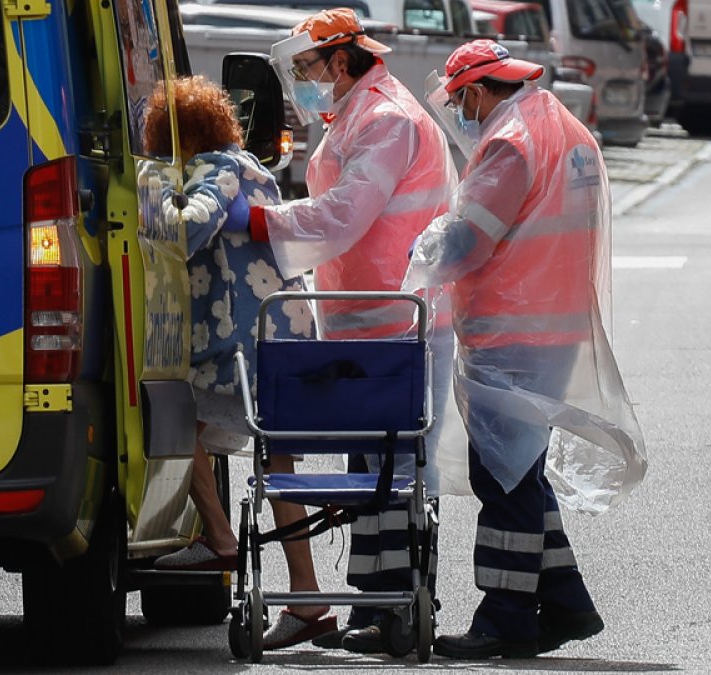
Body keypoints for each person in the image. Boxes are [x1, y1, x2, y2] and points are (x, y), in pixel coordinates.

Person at [402, 39, 648, 659]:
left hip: (513, 329)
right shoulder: (564, 128)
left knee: (503, 477)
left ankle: (504, 618)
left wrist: (421, 255)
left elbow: (468, 241)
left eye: (460, 99)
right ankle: (566, 603)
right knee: (521, 471)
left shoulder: (511, 141)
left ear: (481, 90)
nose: (460, 110)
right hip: (552, 327)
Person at [243, 8, 468, 654]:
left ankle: (395, 608)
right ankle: (378, 604)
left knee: (394, 469)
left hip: (396, 323)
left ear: (342, 63)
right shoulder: (361, 114)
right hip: (370, 324)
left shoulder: (386, 119)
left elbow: (344, 214)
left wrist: (263, 223)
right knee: (376, 469)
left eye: (308, 69)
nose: (302, 84)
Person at [143, 75, 340, 650]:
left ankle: (221, 537)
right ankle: (306, 596)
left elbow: (186, 228)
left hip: (239, 342)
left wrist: (145, 192)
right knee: (278, 462)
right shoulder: (248, 163)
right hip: (278, 336)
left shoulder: (213, 168)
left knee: (174, 420)